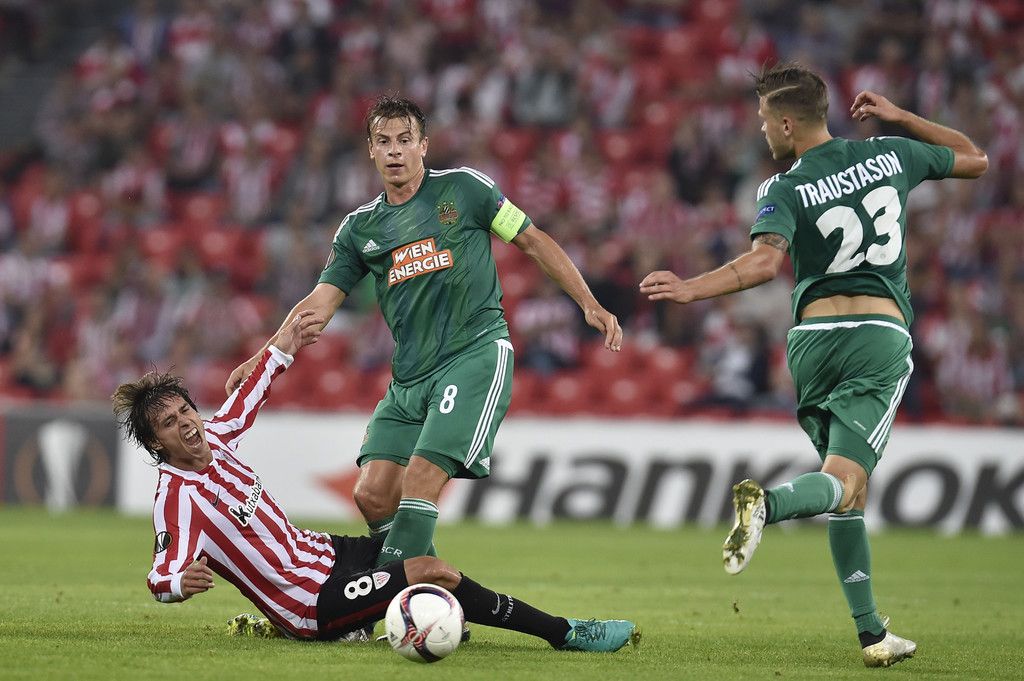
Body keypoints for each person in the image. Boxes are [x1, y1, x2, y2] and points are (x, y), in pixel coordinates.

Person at [640, 62, 987, 668]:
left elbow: (763, 264)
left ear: (786, 123)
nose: (761, 131)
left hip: (811, 343)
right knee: (846, 482)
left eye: (763, 120)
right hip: (876, 336)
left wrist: (690, 289)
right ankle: (767, 505)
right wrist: (902, 117)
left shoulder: (783, 187)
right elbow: (975, 158)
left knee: (847, 492)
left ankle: (872, 634)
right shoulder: (890, 153)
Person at [225, 96, 622, 571]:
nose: (395, 151)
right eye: (383, 141)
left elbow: (532, 240)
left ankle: (385, 592)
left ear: (424, 145)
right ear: (370, 150)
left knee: (420, 478)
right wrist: (263, 358)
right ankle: (435, 593)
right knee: (372, 495)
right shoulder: (359, 229)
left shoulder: (466, 189)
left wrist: (588, 302)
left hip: (473, 355)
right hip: (409, 378)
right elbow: (319, 303)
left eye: (404, 140)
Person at [112, 310, 639, 651]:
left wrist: (283, 345)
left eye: (185, 410)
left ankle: (416, 617)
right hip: (309, 603)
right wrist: (179, 584)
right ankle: (564, 633)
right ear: (157, 444)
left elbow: (247, 398)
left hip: (324, 554)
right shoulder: (177, 499)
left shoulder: (215, 435)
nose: (186, 423)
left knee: (413, 551)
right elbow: (160, 575)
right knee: (430, 569)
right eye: (170, 423)